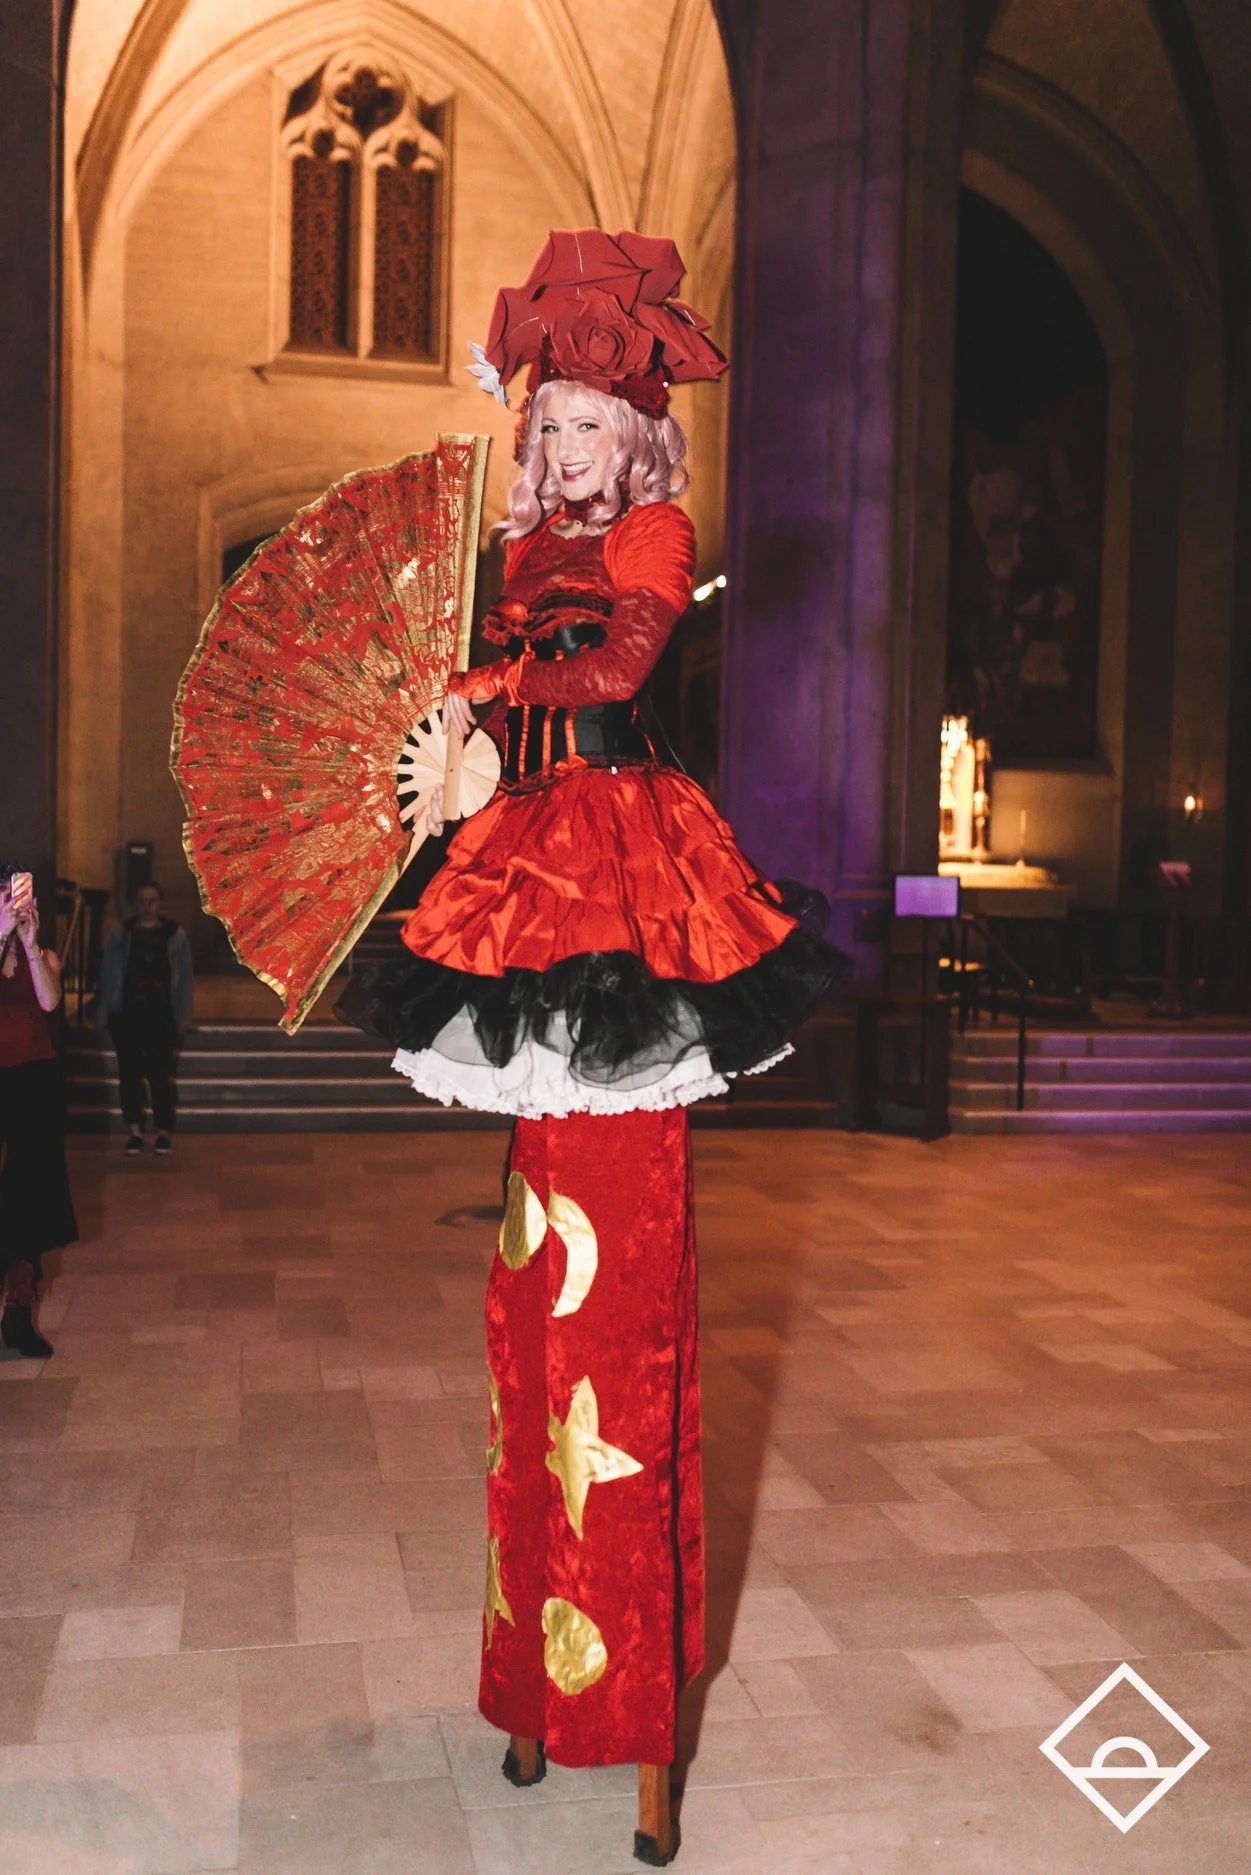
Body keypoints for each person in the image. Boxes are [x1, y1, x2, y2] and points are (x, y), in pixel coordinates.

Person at [341, 230, 843, 1861]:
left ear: (636, 436)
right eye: (542, 424)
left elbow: (623, 663)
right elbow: (507, 695)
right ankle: (537, 1677)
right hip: (527, 855)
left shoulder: (649, 527)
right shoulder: (520, 540)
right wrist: (455, 738)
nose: (558, 450)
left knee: (621, 1316)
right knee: (528, 1314)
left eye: (583, 425)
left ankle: (628, 1708)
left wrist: (484, 685)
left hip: (627, 867)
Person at [0, 862, 77, 1358]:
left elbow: (50, 1004)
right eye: (8, 897)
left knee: (28, 1194)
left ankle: (18, 1312)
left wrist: (28, 945)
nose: (18, 905)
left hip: (34, 1081)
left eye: (22, 897)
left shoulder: (43, 955)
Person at [97, 881, 194, 1155]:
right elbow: (110, 972)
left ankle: (163, 1129)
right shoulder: (123, 933)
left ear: (160, 903)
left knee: (159, 1074)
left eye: (152, 900)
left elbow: (185, 979)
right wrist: (106, 1008)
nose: (147, 906)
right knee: (129, 1073)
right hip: (128, 1014)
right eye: (142, 901)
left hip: (161, 1015)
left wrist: (182, 1016)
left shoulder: (174, 935)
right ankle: (135, 1130)